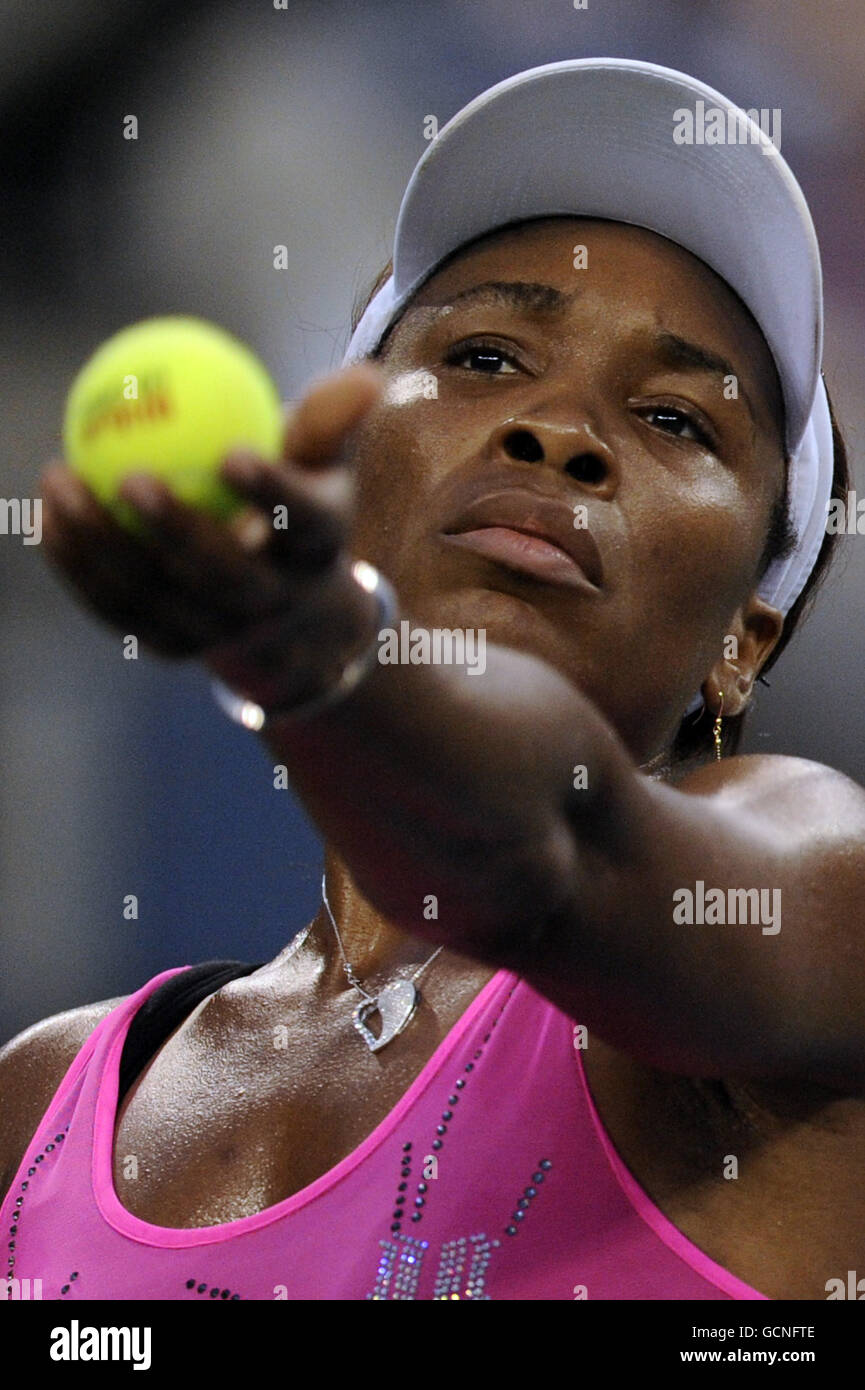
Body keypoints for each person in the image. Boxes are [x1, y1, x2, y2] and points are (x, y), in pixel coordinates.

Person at [1, 57, 862, 1302]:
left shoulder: (818, 903)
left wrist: (314, 652)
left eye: (676, 419)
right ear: (341, 477)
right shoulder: (39, 1104)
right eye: (483, 358)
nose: (558, 430)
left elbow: (548, 862)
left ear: (744, 636)